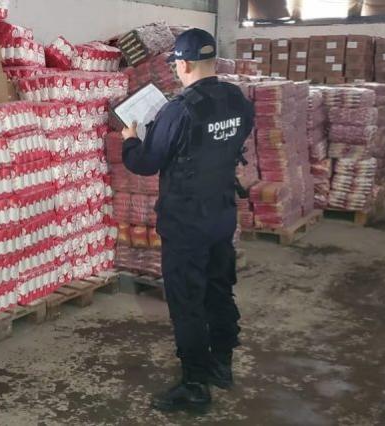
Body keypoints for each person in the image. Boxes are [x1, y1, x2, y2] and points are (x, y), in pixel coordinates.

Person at [120, 28, 255, 414]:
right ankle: (221, 365)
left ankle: (195, 385)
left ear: (185, 64)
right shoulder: (236, 99)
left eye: (177, 63)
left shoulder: (179, 109)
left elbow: (145, 162)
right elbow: (236, 139)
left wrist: (131, 138)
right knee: (219, 289)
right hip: (221, 214)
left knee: (187, 302)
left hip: (186, 222)